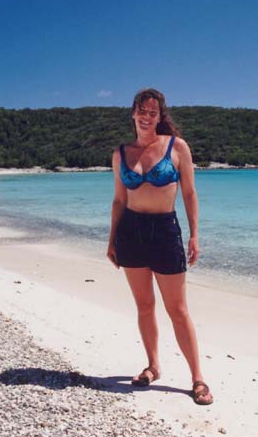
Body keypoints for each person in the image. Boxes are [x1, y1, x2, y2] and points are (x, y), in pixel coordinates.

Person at [106, 88, 213, 406]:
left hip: (166, 232)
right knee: (144, 306)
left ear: (159, 116)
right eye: (142, 111)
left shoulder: (177, 147)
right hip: (131, 233)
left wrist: (194, 235)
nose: (146, 117)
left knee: (177, 310)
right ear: (133, 113)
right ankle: (153, 366)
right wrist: (111, 240)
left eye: (152, 112)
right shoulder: (121, 153)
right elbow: (119, 200)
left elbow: (190, 194)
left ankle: (197, 378)